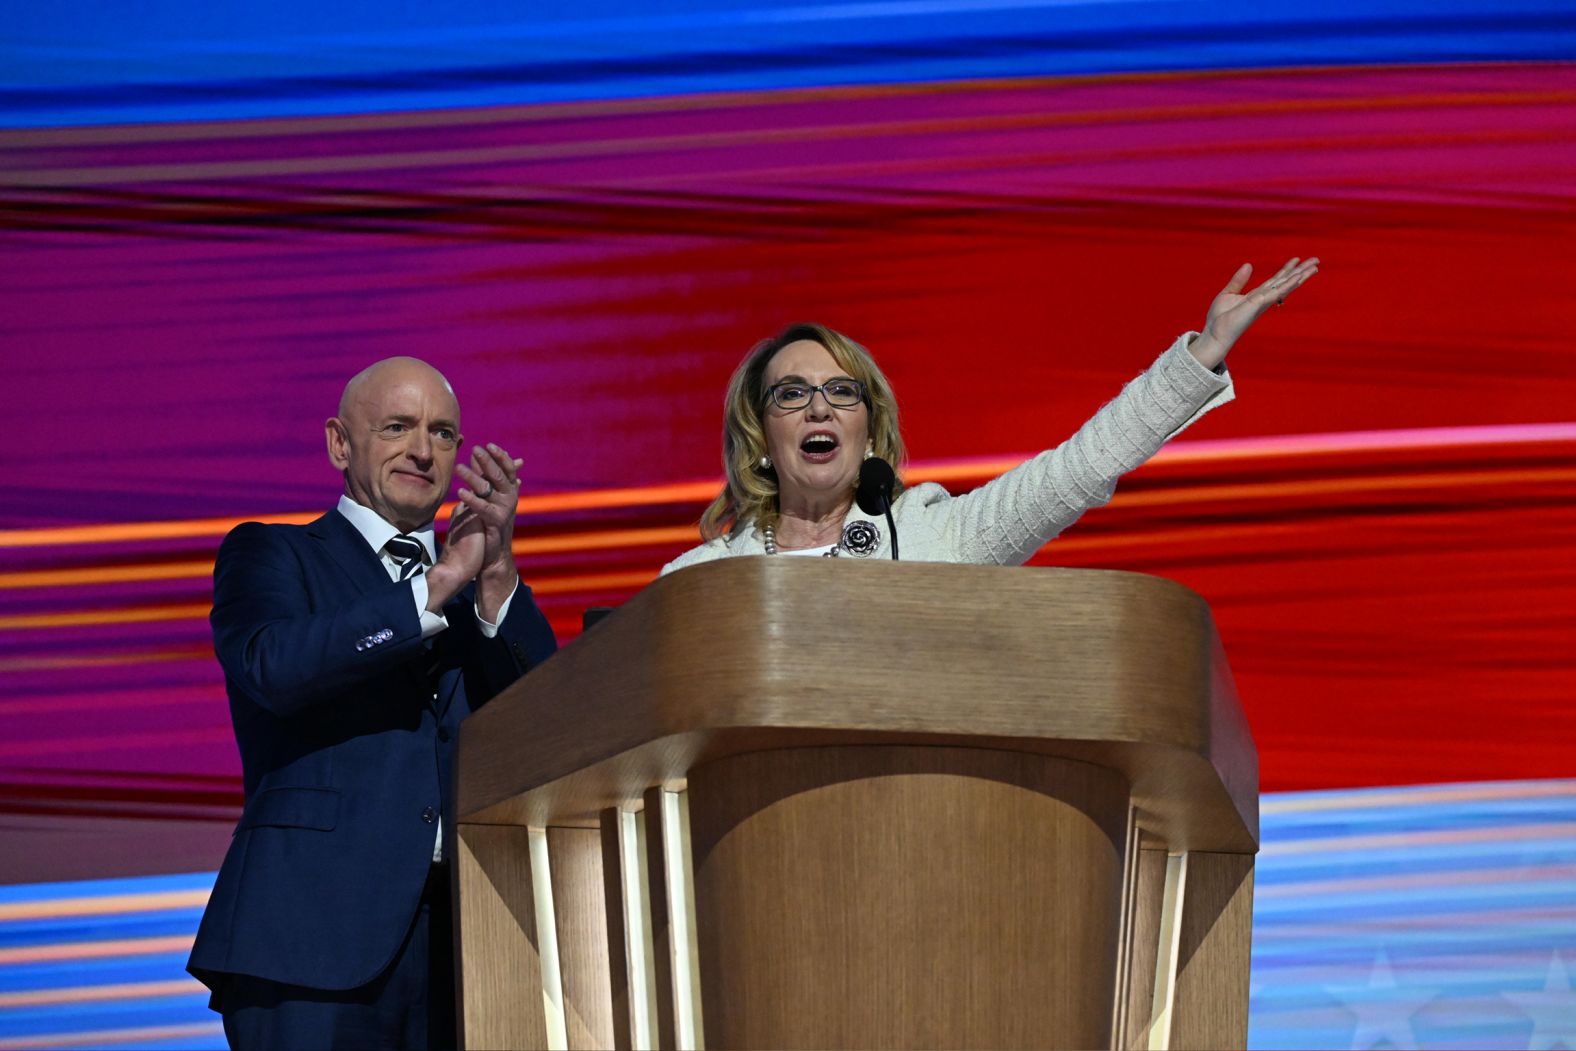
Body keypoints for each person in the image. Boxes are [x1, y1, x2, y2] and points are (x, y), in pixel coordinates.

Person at [187, 357, 558, 1050]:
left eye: (443, 433)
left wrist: (497, 573)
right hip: (311, 939)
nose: (424, 448)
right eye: (398, 426)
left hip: (467, 943)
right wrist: (434, 584)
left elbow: (556, 718)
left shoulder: (480, 590)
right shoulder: (274, 553)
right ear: (339, 443)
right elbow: (276, 666)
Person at [664, 258, 1318, 571]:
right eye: (791, 394)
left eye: (842, 392)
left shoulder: (936, 538)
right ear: (759, 438)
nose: (818, 407)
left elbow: (1076, 471)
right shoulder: (700, 581)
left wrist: (1201, 353)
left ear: (869, 430)